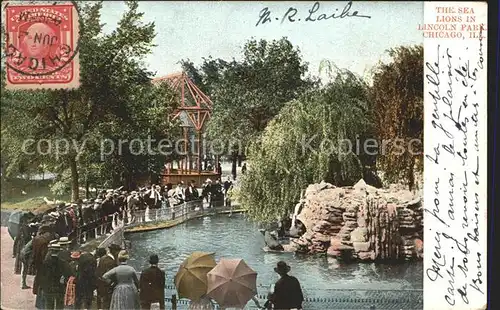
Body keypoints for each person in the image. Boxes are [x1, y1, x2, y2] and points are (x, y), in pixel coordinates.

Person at [40, 243, 72, 310]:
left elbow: (41, 276)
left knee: (48, 305)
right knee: (59, 306)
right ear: (59, 251)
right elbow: (68, 274)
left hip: (48, 288)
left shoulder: (45, 262)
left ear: (51, 251)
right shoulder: (63, 263)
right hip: (59, 288)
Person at [96, 243, 121, 309]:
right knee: (108, 304)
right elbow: (107, 275)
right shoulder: (110, 261)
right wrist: (112, 284)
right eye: (118, 252)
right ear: (114, 251)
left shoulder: (103, 258)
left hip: (103, 286)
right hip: (108, 287)